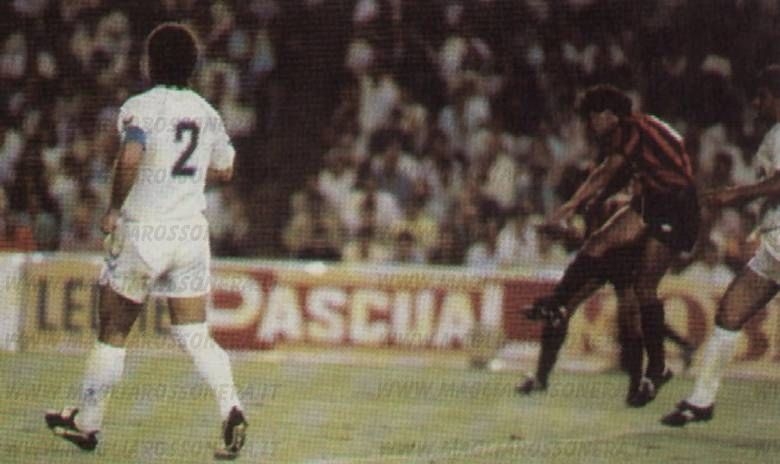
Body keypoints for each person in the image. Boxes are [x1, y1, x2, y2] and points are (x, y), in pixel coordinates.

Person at [44, 23, 248, 459]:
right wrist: (188, 177)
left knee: (113, 330)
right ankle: (231, 406)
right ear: (192, 66)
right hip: (189, 232)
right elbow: (227, 169)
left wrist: (114, 208)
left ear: (150, 62)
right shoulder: (207, 112)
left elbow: (131, 156)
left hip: (145, 230)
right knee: (194, 332)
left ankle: (88, 422)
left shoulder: (140, 106)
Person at [520, 84, 700, 407]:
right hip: (654, 203)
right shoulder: (638, 133)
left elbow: (606, 174)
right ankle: (555, 309)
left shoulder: (630, 131)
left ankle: (652, 370)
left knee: (639, 296)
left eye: (592, 118)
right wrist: (580, 206)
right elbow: (607, 177)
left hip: (674, 205)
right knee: (601, 247)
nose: (590, 125)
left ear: (607, 115)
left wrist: (569, 207)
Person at [662, 64, 780, 427]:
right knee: (730, 312)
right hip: (775, 243)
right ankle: (701, 399)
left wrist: (736, 194)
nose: (756, 104)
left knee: (731, 311)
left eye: (762, 96)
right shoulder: (774, 134)